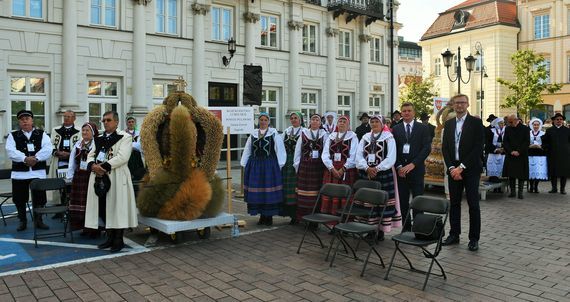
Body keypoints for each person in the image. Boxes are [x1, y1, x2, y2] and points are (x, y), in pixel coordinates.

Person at [86, 111, 138, 253]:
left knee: (117, 208)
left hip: (117, 176)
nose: (105, 123)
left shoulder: (125, 137)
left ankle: (118, 240)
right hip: (99, 177)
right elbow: (90, 155)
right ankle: (109, 238)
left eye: (108, 120)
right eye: (103, 120)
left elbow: (123, 157)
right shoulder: (98, 138)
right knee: (103, 207)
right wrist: (93, 166)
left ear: (116, 122)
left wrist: (103, 167)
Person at [441, 94, 485, 252]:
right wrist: (453, 168)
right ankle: (454, 234)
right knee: (454, 204)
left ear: (468, 104)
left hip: (471, 169)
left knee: (473, 204)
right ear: (453, 105)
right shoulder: (449, 123)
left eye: (462, 103)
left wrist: (462, 167)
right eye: (457, 103)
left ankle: (474, 239)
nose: (459, 105)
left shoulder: (476, 122)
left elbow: (478, 147)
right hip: (454, 170)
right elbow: (445, 147)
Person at [355, 115, 402, 240]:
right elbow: (358, 155)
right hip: (366, 173)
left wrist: (377, 168)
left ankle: (380, 231)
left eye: (377, 122)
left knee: (381, 203)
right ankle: (369, 230)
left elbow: (391, 156)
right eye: (372, 122)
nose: (374, 124)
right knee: (368, 202)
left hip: (383, 173)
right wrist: (366, 168)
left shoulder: (388, 137)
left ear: (382, 124)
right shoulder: (365, 137)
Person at [5, 110, 52, 231]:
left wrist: (36, 158)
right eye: (22, 119)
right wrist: (24, 158)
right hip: (19, 173)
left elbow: (48, 148)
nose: (25, 121)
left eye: (27, 118)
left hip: (38, 172)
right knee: (19, 198)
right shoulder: (13, 135)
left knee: (40, 197)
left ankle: (39, 220)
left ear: (32, 120)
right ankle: (22, 220)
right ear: (19, 122)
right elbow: (10, 151)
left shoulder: (42, 134)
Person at [392, 103, 432, 231]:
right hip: (401, 171)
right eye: (404, 111)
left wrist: (413, 164)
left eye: (409, 111)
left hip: (416, 169)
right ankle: (406, 228)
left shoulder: (423, 128)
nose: (406, 113)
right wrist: (399, 166)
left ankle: (419, 228)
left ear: (414, 113)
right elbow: (393, 150)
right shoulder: (396, 129)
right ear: (401, 113)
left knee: (418, 200)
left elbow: (426, 149)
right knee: (403, 201)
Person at [241, 113, 286, 226]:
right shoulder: (253, 134)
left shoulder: (274, 133)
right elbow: (247, 149)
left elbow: (279, 149)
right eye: (261, 119)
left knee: (268, 191)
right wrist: (244, 163)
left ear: (268, 122)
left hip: (269, 165)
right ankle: (261, 216)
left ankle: (269, 216)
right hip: (255, 165)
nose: (263, 122)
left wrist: (280, 165)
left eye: (265, 120)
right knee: (258, 191)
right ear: (258, 121)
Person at [66, 122, 99, 237]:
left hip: (91, 176)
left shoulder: (96, 144)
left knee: (91, 203)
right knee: (80, 203)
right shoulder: (78, 144)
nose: (84, 132)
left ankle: (94, 229)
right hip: (79, 177)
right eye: (83, 130)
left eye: (87, 130)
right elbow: (72, 161)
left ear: (93, 132)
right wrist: (70, 176)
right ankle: (84, 227)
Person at [321, 115, 358, 215]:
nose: (341, 123)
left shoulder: (353, 137)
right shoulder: (331, 136)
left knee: (344, 196)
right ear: (337, 124)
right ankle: (331, 220)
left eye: (344, 121)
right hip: (331, 169)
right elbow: (325, 154)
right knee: (331, 194)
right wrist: (331, 168)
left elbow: (354, 155)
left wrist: (344, 168)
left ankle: (343, 221)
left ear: (348, 124)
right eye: (340, 121)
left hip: (346, 170)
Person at [293, 113, 326, 221]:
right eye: (313, 119)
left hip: (318, 168)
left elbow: (326, 151)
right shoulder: (304, 133)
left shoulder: (324, 134)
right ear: (309, 122)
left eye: (317, 120)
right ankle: (303, 217)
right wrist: (297, 166)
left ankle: (314, 219)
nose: (315, 121)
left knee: (316, 193)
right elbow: (298, 151)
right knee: (303, 192)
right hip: (305, 166)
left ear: (320, 122)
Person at [281, 112, 304, 224]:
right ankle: (290, 214)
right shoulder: (286, 131)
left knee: (296, 188)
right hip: (287, 161)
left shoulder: (304, 132)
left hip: (298, 161)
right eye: (292, 118)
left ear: (300, 120)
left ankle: (297, 215)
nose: (294, 120)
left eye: (296, 118)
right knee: (287, 189)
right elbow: (281, 146)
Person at [502, 114, 530, 199]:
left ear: (516, 120)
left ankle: (520, 192)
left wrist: (519, 151)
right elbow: (505, 142)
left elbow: (526, 142)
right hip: (511, 155)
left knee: (521, 175)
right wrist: (511, 151)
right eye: (508, 122)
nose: (509, 123)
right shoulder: (508, 129)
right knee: (511, 174)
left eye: (511, 122)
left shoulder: (525, 129)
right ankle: (513, 192)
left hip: (521, 155)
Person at [49, 110, 81, 179]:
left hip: (73, 162)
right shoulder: (55, 130)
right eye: (65, 116)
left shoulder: (79, 130)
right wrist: (57, 152)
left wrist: (70, 154)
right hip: (58, 161)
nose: (66, 118)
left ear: (74, 118)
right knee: (58, 183)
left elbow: (81, 147)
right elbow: (50, 145)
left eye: (68, 117)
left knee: (71, 183)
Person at [544, 113, 570, 194]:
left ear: (563, 121)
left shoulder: (567, 130)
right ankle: (554, 188)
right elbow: (545, 142)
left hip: (564, 155)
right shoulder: (549, 130)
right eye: (557, 119)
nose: (559, 121)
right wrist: (547, 149)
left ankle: (562, 189)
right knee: (553, 172)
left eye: (561, 119)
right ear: (554, 121)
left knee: (564, 172)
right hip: (553, 154)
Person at [528, 118, 548, 193]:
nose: (536, 126)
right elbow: (525, 142)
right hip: (530, 152)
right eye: (534, 125)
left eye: (537, 125)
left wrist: (541, 146)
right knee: (531, 170)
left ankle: (536, 187)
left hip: (540, 153)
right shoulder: (528, 133)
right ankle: (531, 186)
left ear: (539, 125)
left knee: (538, 170)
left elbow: (546, 143)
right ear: (532, 125)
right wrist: (529, 145)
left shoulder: (543, 133)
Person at [485, 117, 506, 187]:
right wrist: (495, 149)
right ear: (497, 124)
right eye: (500, 123)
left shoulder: (505, 131)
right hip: (493, 153)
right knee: (493, 167)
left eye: (503, 123)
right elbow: (488, 142)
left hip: (502, 153)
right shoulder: (491, 131)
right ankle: (494, 182)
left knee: (501, 168)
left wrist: (503, 149)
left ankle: (500, 186)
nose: (502, 125)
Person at [124, 116, 145, 182]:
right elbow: (123, 144)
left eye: (132, 122)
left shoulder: (139, 133)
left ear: (135, 123)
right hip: (127, 155)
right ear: (127, 124)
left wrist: (131, 146)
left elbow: (140, 144)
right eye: (129, 122)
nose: (131, 123)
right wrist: (131, 147)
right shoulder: (123, 133)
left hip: (137, 155)